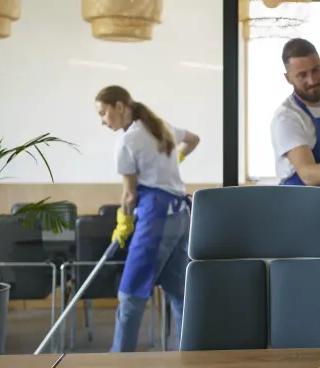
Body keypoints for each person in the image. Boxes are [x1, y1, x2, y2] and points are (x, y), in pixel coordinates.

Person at [95, 85, 201, 352]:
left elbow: (129, 196)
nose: (103, 121)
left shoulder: (128, 141)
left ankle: (120, 359)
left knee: (130, 293)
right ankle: (187, 355)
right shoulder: (159, 126)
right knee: (179, 293)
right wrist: (175, 159)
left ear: (120, 106)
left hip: (156, 220)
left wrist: (124, 222)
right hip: (181, 216)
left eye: (104, 113)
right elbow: (194, 139)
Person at [270, 38, 320, 190]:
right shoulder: (287, 117)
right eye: (302, 75)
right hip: (300, 205)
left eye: (316, 70)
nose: (312, 80)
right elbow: (307, 175)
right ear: (288, 78)